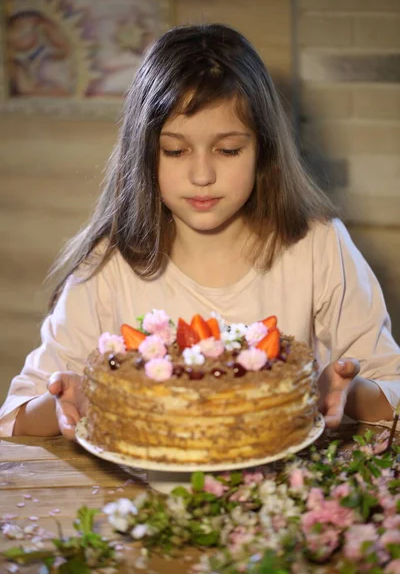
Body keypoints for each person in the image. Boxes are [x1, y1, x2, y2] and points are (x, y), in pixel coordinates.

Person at [1, 23, 399, 441]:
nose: (202, 174)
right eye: (175, 151)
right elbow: (13, 418)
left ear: (263, 148)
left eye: (228, 150)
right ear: (144, 152)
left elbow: (390, 387)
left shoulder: (318, 245)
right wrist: (81, 399)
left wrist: (351, 396)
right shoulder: (109, 265)